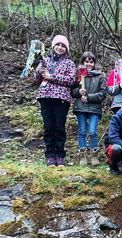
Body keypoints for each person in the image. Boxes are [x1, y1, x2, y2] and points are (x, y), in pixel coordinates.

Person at [35, 34, 76, 167]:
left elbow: (71, 80)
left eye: (63, 46)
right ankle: (50, 155)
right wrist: (38, 71)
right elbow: (36, 80)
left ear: (66, 48)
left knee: (59, 127)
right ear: (53, 46)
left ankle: (59, 154)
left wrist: (51, 76)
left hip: (61, 98)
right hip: (45, 97)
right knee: (48, 127)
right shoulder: (45, 60)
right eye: (58, 45)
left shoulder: (69, 63)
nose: (60, 47)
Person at [71, 51, 107, 166]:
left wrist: (89, 97)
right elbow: (72, 91)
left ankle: (94, 154)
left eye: (91, 62)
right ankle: (83, 155)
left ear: (94, 63)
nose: (88, 64)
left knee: (92, 131)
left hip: (94, 108)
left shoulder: (100, 76)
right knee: (82, 131)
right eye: (86, 61)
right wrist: (78, 91)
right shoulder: (79, 75)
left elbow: (102, 93)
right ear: (82, 62)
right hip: (81, 107)